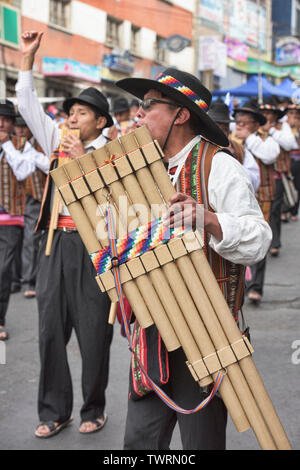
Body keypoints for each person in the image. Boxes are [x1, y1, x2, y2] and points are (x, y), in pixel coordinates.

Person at [115, 68, 272, 450]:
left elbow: (258, 238)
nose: (138, 115)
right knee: (138, 443)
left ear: (180, 114)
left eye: (148, 105)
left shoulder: (218, 165)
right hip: (151, 334)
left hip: (207, 333)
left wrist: (209, 218)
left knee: (201, 443)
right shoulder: (139, 168)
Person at [16, 31, 114, 438]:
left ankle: (95, 406)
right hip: (54, 246)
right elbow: (27, 106)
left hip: (96, 251)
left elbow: (117, 204)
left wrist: (85, 162)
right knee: (50, 332)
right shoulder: (58, 140)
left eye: (82, 113)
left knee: (94, 334)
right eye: (71, 111)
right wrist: (26, 60)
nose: (72, 118)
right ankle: (56, 410)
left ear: (101, 122)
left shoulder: (118, 151)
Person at [0, 100, 46, 341]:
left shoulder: (21, 146)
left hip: (10, 216)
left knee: (3, 270)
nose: (2, 123)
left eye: (6, 119)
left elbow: (21, 171)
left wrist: (7, 144)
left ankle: (0, 321)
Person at [233, 101, 280, 305]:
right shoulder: (228, 139)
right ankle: (239, 284)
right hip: (236, 198)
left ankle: (256, 287)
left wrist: (250, 139)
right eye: (238, 120)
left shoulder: (266, 140)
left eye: (245, 121)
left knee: (259, 238)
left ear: (255, 124)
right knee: (237, 239)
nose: (240, 124)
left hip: (262, 196)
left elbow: (269, 156)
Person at [14, 114, 49, 298]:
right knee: (16, 240)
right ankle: (17, 279)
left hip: (34, 199)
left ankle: (29, 280)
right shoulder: (11, 143)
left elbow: (47, 166)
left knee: (31, 240)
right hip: (15, 199)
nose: (20, 130)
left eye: (23, 127)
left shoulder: (39, 144)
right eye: (18, 127)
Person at [259, 100, 298, 256]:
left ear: (275, 116)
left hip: (276, 175)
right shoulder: (255, 128)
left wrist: (272, 132)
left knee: (274, 209)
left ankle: (274, 242)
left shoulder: (283, 127)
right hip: (258, 176)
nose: (266, 116)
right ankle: (261, 242)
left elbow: (290, 144)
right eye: (263, 114)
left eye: (269, 113)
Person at [207, 102, 260, 191]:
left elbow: (255, 182)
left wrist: (232, 161)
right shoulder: (198, 148)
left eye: (224, 129)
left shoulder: (240, 149)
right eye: (216, 127)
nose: (220, 133)